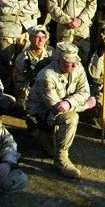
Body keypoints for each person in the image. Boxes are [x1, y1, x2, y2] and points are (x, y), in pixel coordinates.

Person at [26, 47, 93, 180]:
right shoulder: (47, 76)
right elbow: (58, 108)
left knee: (68, 118)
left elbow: (85, 92)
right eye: (69, 62)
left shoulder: (77, 67)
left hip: (62, 107)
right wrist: (85, 105)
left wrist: (69, 102)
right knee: (71, 118)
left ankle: (59, 152)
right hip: (44, 112)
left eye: (75, 60)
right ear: (58, 60)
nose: (74, 65)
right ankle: (60, 159)